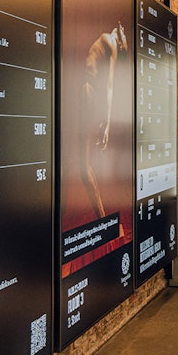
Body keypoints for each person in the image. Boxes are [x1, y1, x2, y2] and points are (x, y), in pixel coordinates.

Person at [80, 22, 129, 219]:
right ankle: (101, 216)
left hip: (86, 93)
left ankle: (100, 215)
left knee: (84, 164)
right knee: (83, 164)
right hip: (89, 95)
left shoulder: (105, 41)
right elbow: (108, 86)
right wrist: (107, 123)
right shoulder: (110, 41)